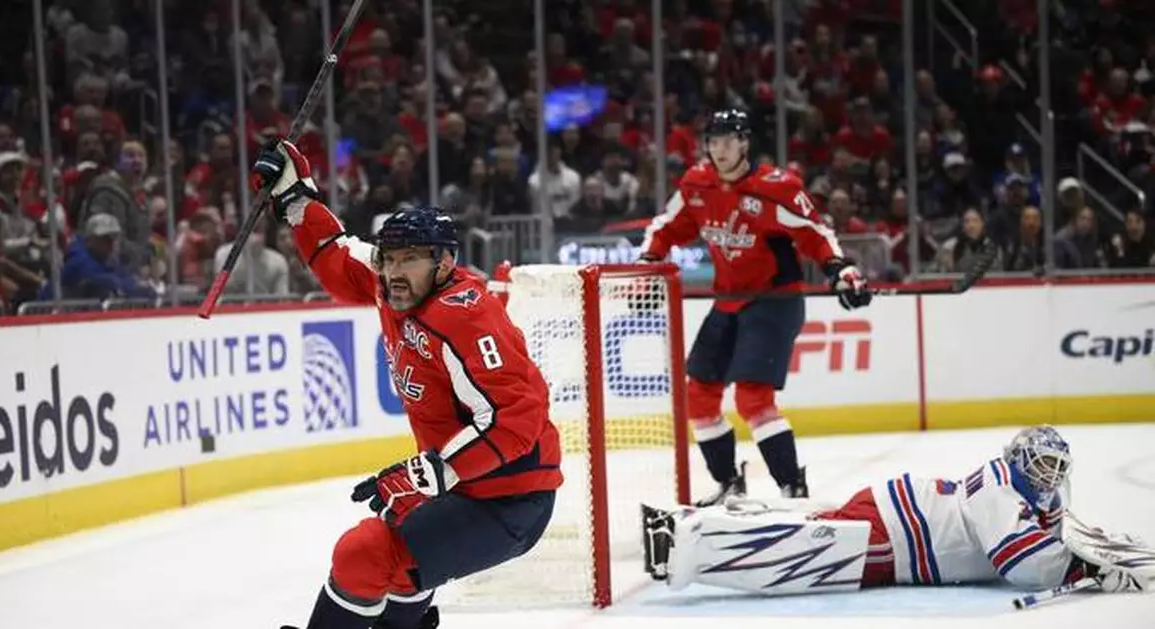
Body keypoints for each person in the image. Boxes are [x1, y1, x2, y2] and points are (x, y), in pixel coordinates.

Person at [249, 139, 562, 629]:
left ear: (443, 263)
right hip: (462, 486)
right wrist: (294, 199)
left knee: (364, 554)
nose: (394, 271)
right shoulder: (391, 282)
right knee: (397, 571)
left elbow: (516, 419)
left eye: (410, 259)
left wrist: (432, 474)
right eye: (389, 259)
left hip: (510, 499)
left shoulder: (466, 316)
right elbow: (337, 256)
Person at [638, 109, 872, 504]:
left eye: (728, 140)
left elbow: (815, 233)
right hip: (728, 301)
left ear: (745, 143)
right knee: (699, 396)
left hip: (773, 302)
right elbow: (666, 227)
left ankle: (791, 486)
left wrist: (841, 268)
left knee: (752, 398)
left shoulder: (775, 188)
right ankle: (730, 483)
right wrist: (649, 261)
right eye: (713, 141)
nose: (719, 149)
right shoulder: (697, 184)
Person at [641, 425, 1147, 596]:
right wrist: (1080, 567)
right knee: (805, 560)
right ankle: (689, 544)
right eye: (1040, 468)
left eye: (1055, 470)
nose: (1048, 479)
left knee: (814, 530)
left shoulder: (1016, 488)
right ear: (1019, 463)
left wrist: (1089, 554)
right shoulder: (999, 491)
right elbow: (1023, 565)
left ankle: (704, 524)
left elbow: (1051, 535)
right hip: (897, 536)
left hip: (895, 515)